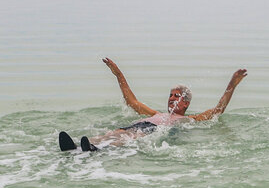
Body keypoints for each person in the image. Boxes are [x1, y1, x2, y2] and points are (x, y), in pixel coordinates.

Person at [58, 58, 248, 152]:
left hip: (152, 131)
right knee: (113, 133)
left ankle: (97, 151)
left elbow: (218, 111)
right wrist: (118, 74)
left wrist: (232, 85)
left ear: (186, 103)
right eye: (170, 95)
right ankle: (77, 146)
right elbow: (132, 102)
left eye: (177, 96)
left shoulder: (190, 119)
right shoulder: (155, 113)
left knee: (129, 137)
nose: (172, 98)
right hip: (140, 124)